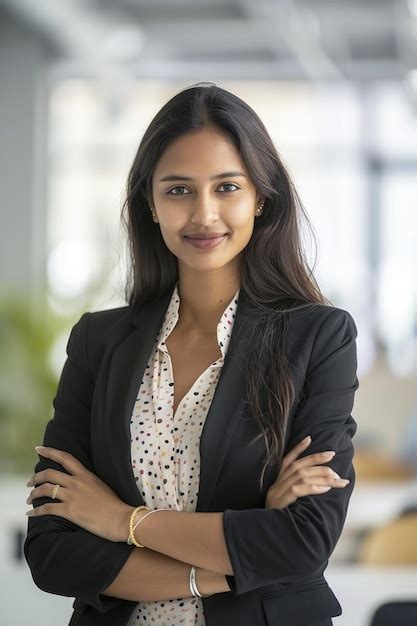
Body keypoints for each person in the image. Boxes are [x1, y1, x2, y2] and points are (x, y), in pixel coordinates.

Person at [23, 82, 359, 626]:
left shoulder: (318, 337)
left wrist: (120, 520)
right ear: (150, 206)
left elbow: (303, 542)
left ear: (261, 198)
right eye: (178, 190)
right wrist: (234, 561)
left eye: (227, 187)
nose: (204, 214)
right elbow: (53, 553)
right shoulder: (98, 341)